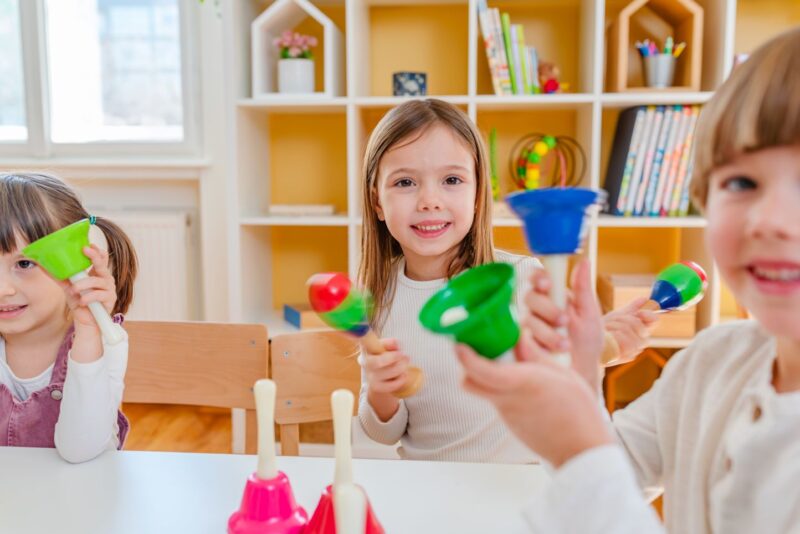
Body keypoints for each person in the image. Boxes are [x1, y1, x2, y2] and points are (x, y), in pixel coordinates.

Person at [457, 27, 800, 531]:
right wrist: (581, 376)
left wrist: (579, 445)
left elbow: (591, 471)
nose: (769, 219)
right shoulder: (709, 362)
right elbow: (609, 473)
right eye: (741, 182)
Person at [357, 99, 654, 462]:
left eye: (452, 180)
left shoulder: (526, 281)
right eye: (405, 182)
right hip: (433, 488)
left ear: (479, 194)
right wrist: (381, 390)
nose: (429, 200)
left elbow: (568, 377)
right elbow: (383, 432)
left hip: (525, 485)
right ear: (376, 201)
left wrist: (597, 347)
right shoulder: (378, 299)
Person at [0, 172, 137, 463]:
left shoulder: (105, 340)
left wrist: (88, 333)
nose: (3, 289)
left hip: (80, 500)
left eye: (24, 263)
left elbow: (81, 450)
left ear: (73, 263)